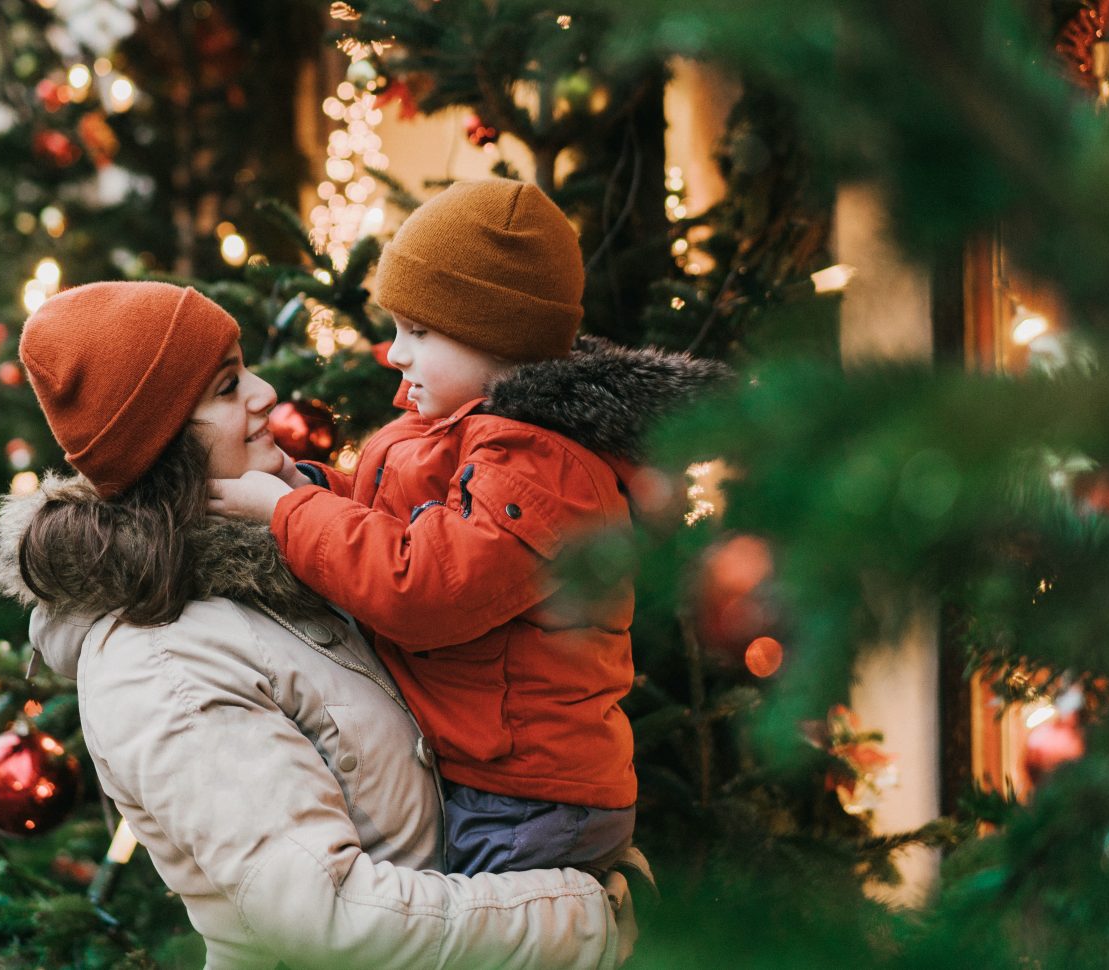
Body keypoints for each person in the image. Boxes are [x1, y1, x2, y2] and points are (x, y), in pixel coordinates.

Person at [0, 280, 639, 970]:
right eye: (228, 385)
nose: (266, 393)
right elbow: (328, 920)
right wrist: (586, 917)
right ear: (164, 444)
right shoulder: (162, 665)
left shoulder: (286, 564)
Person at [209, 178, 730, 876]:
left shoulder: (538, 464)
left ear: (500, 338)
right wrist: (304, 487)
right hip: (492, 780)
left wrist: (285, 513)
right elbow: (387, 520)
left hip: (530, 797)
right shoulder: (459, 433)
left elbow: (424, 586)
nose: (395, 353)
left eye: (419, 333)